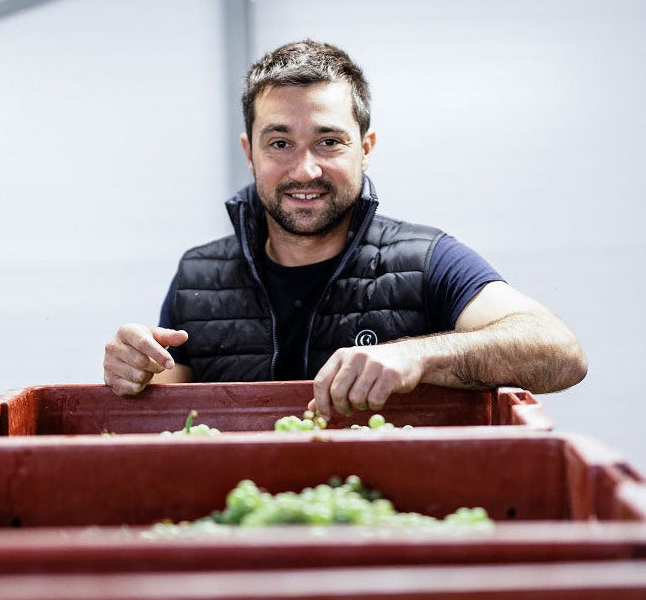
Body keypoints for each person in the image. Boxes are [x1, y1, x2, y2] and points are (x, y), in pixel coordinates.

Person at [103, 39, 587, 420]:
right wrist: (133, 372)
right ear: (250, 153)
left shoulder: (426, 260)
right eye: (280, 143)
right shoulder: (198, 275)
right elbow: (163, 411)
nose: (305, 170)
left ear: (366, 147)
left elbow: (560, 352)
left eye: (329, 141)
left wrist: (416, 358)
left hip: (387, 530)